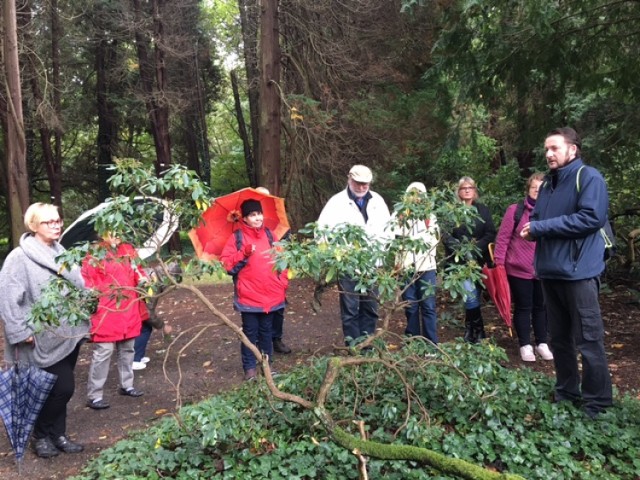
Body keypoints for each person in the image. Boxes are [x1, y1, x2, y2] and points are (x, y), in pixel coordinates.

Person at [521, 127, 613, 418]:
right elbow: (537, 217)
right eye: (546, 149)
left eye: (555, 148)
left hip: (579, 272)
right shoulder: (548, 183)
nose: (548, 154)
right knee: (559, 338)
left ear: (572, 150)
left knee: (588, 339)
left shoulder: (588, 178)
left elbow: (590, 218)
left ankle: (597, 402)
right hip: (550, 271)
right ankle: (566, 391)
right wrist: (534, 229)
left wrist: (541, 228)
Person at [0, 203, 88, 458]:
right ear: (34, 225)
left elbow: (76, 285)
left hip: (67, 334)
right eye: (49, 222)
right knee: (63, 387)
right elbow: (7, 297)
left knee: (56, 388)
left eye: (58, 220)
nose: (56, 225)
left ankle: (57, 435)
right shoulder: (20, 257)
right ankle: (40, 435)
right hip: (39, 338)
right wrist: (19, 331)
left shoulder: (62, 252)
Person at [317, 164, 391, 345]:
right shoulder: (336, 202)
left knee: (370, 306)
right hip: (348, 264)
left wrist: (381, 255)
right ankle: (353, 346)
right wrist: (336, 255)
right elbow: (322, 231)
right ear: (349, 179)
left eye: (365, 184)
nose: (361, 187)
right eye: (358, 183)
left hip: (373, 264)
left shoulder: (378, 201)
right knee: (350, 309)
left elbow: (388, 230)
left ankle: (367, 345)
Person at [220, 199, 289, 381]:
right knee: (250, 332)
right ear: (245, 218)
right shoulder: (237, 238)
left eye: (259, 213)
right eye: (252, 215)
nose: (257, 218)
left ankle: (267, 365)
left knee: (267, 331)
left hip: (271, 294)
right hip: (249, 296)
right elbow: (227, 264)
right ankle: (250, 368)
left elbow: (283, 260)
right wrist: (244, 253)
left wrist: (282, 283)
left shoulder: (270, 235)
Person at [82, 234, 146, 410]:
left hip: (128, 307)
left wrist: (142, 278)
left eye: (119, 231)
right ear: (103, 232)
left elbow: (137, 269)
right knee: (103, 351)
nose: (116, 236)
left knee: (128, 348)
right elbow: (88, 281)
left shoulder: (128, 250)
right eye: (111, 231)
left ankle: (127, 385)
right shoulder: (95, 253)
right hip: (106, 309)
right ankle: (94, 395)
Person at [494, 173, 553, 362]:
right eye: (534, 188)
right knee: (523, 307)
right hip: (518, 268)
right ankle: (525, 344)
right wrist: (499, 264)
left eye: (541, 188)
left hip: (543, 269)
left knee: (541, 307)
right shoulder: (515, 211)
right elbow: (503, 239)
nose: (537, 191)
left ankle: (542, 342)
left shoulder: (551, 211)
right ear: (528, 189)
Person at [444, 176, 496, 343]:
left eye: (470, 187)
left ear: (475, 191)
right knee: (470, 294)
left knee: (475, 294)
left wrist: (475, 248)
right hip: (460, 262)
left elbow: (490, 233)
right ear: (458, 192)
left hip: (480, 259)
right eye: (463, 188)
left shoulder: (483, 210)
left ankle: (473, 329)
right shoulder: (452, 212)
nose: (467, 190)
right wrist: (461, 250)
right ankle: (476, 329)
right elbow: (445, 235)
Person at [390, 182, 440, 343]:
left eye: (419, 194)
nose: (416, 197)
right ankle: (413, 341)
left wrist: (414, 243)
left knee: (428, 306)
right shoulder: (398, 215)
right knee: (410, 306)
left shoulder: (430, 216)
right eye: (412, 193)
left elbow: (434, 239)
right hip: (405, 267)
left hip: (427, 267)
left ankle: (431, 343)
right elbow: (392, 236)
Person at [255, 186, 292, 355]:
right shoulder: (246, 220)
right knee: (256, 312)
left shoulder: (278, 218)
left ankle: (276, 339)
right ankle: (258, 343)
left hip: (275, 274)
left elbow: (287, 246)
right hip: (254, 278)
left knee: (278, 310)